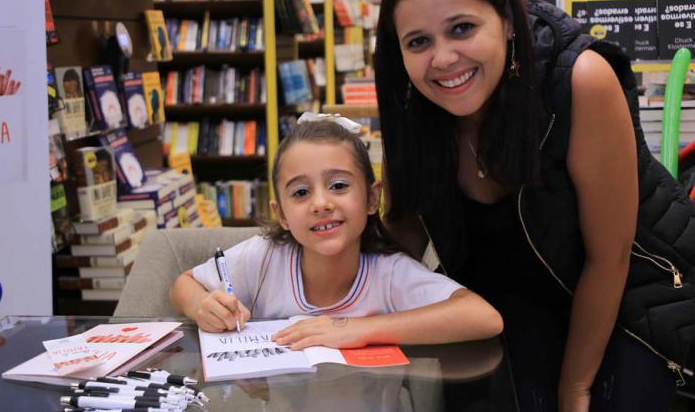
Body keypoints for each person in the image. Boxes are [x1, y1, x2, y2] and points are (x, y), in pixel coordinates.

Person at [374, 0, 695, 412]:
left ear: (505, 19)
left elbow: (610, 255)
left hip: (626, 300)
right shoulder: (413, 110)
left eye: (462, 28)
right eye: (418, 42)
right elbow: (400, 243)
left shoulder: (580, 80)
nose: (443, 59)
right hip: (512, 307)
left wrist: (576, 384)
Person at [170, 116, 502, 342]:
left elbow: (483, 317)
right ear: (281, 214)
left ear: (372, 198)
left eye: (339, 185)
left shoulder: (389, 273)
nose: (320, 203)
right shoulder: (264, 257)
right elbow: (184, 284)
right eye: (301, 192)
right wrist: (201, 307)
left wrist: (356, 329)